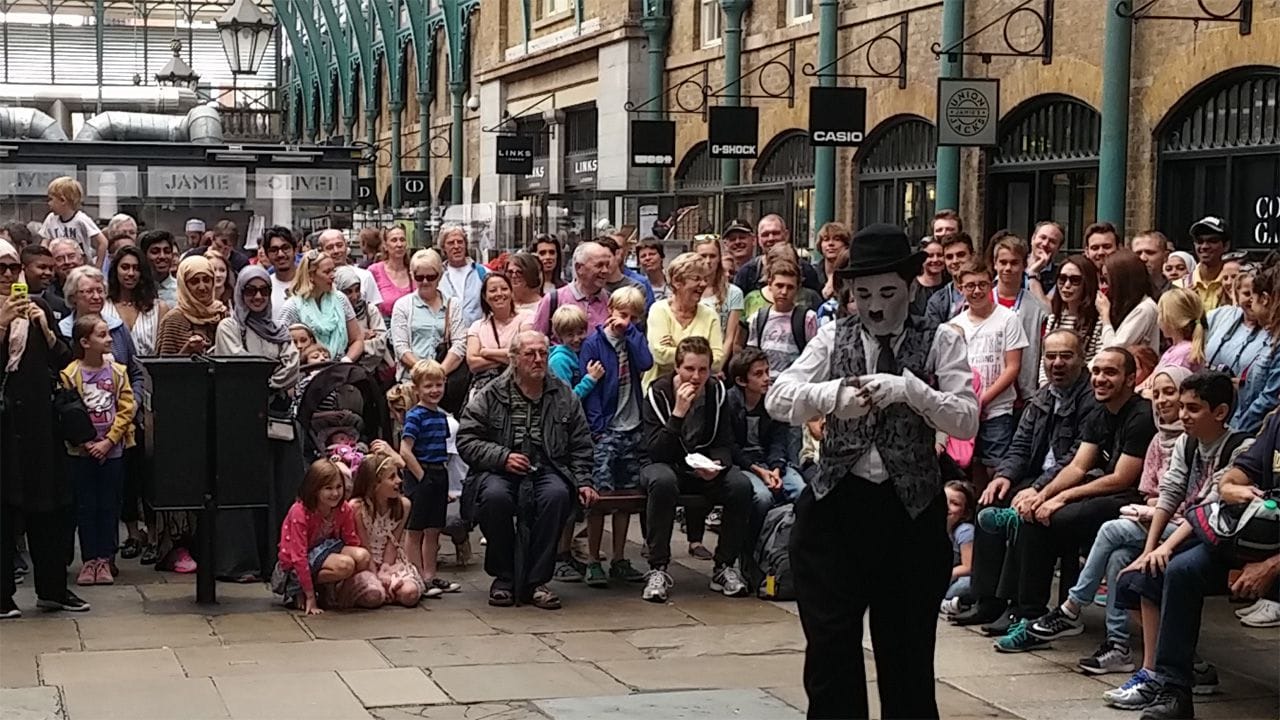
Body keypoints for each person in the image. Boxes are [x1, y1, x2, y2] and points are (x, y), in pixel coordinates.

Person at [765, 223, 979, 719]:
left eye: (887, 292)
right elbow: (778, 397)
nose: (875, 305)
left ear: (908, 286)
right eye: (863, 294)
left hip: (910, 514)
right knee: (831, 651)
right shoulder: (831, 336)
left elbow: (966, 417)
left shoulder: (943, 338)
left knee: (906, 655)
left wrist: (912, 391)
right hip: (836, 510)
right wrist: (832, 396)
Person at [1034, 372, 1250, 709]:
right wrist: (1149, 549)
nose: (1182, 416)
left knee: (1138, 557)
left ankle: (1140, 661)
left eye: (1192, 409)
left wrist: (1161, 549)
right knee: (1127, 562)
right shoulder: (1186, 442)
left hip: (1215, 536)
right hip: (1180, 529)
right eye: (1181, 407)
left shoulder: (1240, 447)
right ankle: (1154, 662)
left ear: (1220, 412)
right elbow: (1170, 493)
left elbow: (1209, 510)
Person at [987, 347, 1156, 652]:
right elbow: (1078, 465)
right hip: (1100, 491)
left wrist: (1061, 498)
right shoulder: (1099, 411)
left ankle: (1067, 613)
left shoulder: (1141, 415)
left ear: (1131, 379)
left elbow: (1122, 478)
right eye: (1098, 372)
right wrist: (1042, 494)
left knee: (1056, 517)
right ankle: (1031, 615)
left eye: (1111, 372)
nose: (1101, 379)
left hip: (1131, 499)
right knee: (1034, 515)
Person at [1018, 366, 1187, 671]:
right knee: (1118, 557)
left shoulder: (1190, 441)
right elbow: (1148, 489)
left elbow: (1191, 498)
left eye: (1170, 393)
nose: (1161, 401)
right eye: (1158, 393)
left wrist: (1157, 509)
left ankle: (1072, 606)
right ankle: (1118, 646)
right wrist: (1042, 493)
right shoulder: (1157, 439)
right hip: (1152, 515)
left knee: (1109, 530)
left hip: (1183, 525)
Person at [1121, 410, 1280, 720]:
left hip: (1274, 557)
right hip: (1260, 538)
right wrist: (1232, 488)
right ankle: (1174, 689)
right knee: (1181, 570)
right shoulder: (1277, 421)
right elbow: (1237, 474)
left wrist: (1271, 567)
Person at [953, 330, 1098, 627]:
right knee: (989, 502)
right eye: (1051, 356)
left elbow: (1076, 458)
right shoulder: (1043, 397)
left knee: (1025, 516)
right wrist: (1004, 475)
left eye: (1066, 356)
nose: (1057, 363)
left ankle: (1024, 606)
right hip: (1035, 477)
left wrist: (1038, 488)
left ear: (1082, 360)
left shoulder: (1090, 401)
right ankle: (988, 599)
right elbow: (1020, 445)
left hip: (1071, 483)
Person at [457, 330, 597, 610]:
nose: (538, 360)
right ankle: (504, 576)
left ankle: (536, 580)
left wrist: (583, 481)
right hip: (499, 470)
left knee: (556, 496)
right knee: (495, 498)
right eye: (530, 354)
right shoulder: (492, 393)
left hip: (548, 467)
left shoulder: (563, 394)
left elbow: (581, 444)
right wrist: (502, 456)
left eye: (543, 354)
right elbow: (467, 439)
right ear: (514, 359)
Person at [1, 239, 88, 617]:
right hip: (4, 426)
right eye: (0, 269)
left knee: (49, 508)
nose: (8, 276)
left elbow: (66, 360)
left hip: (39, 424)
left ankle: (53, 589)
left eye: (13, 268)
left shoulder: (38, 307)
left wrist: (46, 330)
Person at [640, 336, 755, 603]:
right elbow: (655, 450)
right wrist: (678, 414)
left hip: (702, 466)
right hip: (665, 464)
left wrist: (717, 465)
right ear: (677, 368)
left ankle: (724, 566)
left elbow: (724, 441)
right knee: (662, 482)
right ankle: (658, 568)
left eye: (703, 369)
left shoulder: (716, 392)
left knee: (740, 486)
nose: (696, 376)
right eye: (690, 369)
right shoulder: (658, 393)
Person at [214, 265, 303, 577]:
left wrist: (265, 379)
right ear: (240, 292)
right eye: (250, 290)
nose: (257, 296)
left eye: (263, 291)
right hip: (241, 422)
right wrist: (269, 374)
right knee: (242, 490)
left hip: (276, 420)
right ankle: (241, 561)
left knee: (279, 488)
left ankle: (276, 558)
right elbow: (240, 366)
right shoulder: (229, 327)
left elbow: (292, 366)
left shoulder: (279, 328)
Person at [154, 256, 228, 572]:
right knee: (184, 480)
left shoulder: (225, 315)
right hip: (182, 414)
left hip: (219, 409)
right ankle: (177, 546)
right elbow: (161, 369)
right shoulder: (174, 319)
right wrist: (187, 353)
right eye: (194, 281)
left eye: (207, 280)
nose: (201, 287)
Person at [578, 286, 653, 587]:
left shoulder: (633, 340)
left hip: (632, 425)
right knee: (601, 498)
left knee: (626, 498)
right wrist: (597, 428)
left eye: (633, 317)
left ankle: (620, 557)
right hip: (607, 428)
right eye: (622, 314)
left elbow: (646, 363)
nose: (626, 321)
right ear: (610, 309)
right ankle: (594, 558)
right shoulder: (594, 343)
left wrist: (632, 333)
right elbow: (592, 392)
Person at [62, 314, 136, 586]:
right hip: (82, 453)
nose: (108, 340)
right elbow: (68, 411)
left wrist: (110, 440)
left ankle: (105, 558)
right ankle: (89, 559)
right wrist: (85, 442)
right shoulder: (70, 374)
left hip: (112, 451)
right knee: (86, 505)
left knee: (108, 505)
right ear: (85, 342)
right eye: (102, 335)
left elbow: (126, 408)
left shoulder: (118, 372)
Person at [727, 347, 806, 583]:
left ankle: (792, 554)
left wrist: (776, 468)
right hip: (745, 466)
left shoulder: (772, 402)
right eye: (758, 374)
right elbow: (731, 446)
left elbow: (779, 441)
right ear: (742, 380)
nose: (766, 378)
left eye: (767, 371)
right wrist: (758, 470)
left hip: (770, 463)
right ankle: (748, 552)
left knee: (802, 492)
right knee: (761, 498)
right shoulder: (730, 403)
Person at [950, 261, 1028, 486]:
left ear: (990, 283)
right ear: (960, 288)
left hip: (997, 410)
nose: (977, 291)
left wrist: (983, 400)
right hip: (965, 410)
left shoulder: (1008, 319)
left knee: (996, 466)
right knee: (968, 466)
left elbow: (1013, 367)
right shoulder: (954, 324)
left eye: (982, 284)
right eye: (970, 286)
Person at [272, 459, 375, 614]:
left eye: (339, 487)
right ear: (314, 489)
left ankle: (339, 595)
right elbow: (298, 556)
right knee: (345, 565)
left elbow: (351, 540)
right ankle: (300, 588)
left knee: (363, 556)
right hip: (296, 563)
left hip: (327, 551)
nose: (335, 493)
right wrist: (310, 597)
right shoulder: (300, 511)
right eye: (328, 488)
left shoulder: (343, 509)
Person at [399, 359, 464, 599]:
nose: (434, 390)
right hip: (422, 474)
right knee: (415, 529)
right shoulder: (415, 416)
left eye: (438, 385)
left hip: (439, 473)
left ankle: (429, 575)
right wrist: (422, 476)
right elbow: (405, 450)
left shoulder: (441, 417)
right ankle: (415, 576)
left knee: (434, 528)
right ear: (417, 388)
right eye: (428, 386)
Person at [350, 450, 425, 607]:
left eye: (398, 475)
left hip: (389, 562)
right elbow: (364, 544)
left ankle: (392, 589)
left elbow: (393, 543)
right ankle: (383, 590)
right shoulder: (357, 507)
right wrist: (374, 572)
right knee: (373, 596)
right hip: (366, 563)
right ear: (375, 484)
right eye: (392, 477)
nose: (398, 481)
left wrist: (385, 568)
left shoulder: (403, 506)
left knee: (410, 594)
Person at [60, 266, 145, 396]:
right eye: (89, 291)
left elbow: (136, 372)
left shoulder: (117, 327)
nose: (96, 297)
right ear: (73, 297)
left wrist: (134, 402)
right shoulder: (62, 332)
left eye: (100, 291)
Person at [644, 252, 723, 389]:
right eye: (696, 278)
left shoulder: (710, 315)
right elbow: (659, 355)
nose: (703, 284)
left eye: (705, 278)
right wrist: (702, 355)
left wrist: (675, 348)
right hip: (660, 391)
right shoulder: (659, 310)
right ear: (677, 282)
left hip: (698, 391)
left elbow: (718, 361)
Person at [390, 249, 466, 383]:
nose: (425, 282)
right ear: (412, 276)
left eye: (431, 277)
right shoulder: (402, 305)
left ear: (440, 276)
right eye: (419, 277)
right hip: (411, 380)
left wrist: (439, 373)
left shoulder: (453, 304)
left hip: (444, 380)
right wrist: (424, 373)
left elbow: (459, 344)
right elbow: (400, 347)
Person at [990, 234, 1049, 401]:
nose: (1008, 268)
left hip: (1023, 394)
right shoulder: (982, 301)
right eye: (1003, 262)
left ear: (1024, 265)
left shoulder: (1037, 308)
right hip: (986, 388)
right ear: (995, 264)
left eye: (1014, 263)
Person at [279, 250, 365, 363]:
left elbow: (357, 340)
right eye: (327, 272)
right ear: (311, 275)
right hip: (306, 372)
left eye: (333, 270)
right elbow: (281, 348)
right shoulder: (292, 307)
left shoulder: (340, 299)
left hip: (340, 368)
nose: (333, 276)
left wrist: (346, 360)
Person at [744, 257, 818, 378]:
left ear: (798, 288)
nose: (784, 292)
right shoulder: (758, 317)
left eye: (790, 287)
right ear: (769, 285)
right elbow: (752, 356)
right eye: (779, 286)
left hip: (794, 384)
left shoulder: (807, 318)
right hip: (765, 384)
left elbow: (814, 356)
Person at [1230, 260, 1279, 433]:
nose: (1250, 302)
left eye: (1253, 297)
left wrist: (1238, 433)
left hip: (1257, 434)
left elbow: (1268, 400)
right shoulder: (1271, 339)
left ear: (1264, 299)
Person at [466, 273, 533, 393]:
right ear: (485, 296)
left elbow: (525, 353)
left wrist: (486, 352)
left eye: (504, 289)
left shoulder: (527, 317)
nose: (499, 294)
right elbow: (473, 363)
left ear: (511, 292)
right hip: (485, 391)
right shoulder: (476, 327)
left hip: (519, 388)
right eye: (492, 290)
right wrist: (509, 358)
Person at [532, 241, 612, 341]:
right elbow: (537, 341)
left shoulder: (611, 301)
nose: (605, 271)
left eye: (607, 265)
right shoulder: (553, 299)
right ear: (579, 268)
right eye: (599, 265)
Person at [1204, 266, 1268, 377]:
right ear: (1236, 295)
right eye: (1247, 294)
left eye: (1256, 294)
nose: (1252, 300)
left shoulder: (1273, 331)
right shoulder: (1220, 315)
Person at [732, 215, 821, 294]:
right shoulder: (747, 272)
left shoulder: (805, 270)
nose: (771, 238)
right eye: (765, 235)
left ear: (786, 235)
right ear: (758, 239)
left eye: (775, 233)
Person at [1100, 250, 1160, 357]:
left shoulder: (1145, 309)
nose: (1105, 286)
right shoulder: (1125, 306)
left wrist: (1105, 316)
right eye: (1102, 279)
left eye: (1107, 279)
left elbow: (1114, 350)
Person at [693, 234, 744, 360]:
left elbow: (730, 337)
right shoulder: (689, 289)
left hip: (719, 357)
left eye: (713, 256)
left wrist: (718, 365)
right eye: (703, 256)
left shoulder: (734, 293)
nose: (708, 261)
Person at [41, 176, 107, 270]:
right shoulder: (51, 219)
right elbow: (45, 241)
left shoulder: (81, 219)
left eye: (51, 199)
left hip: (81, 268)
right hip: (59, 268)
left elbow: (103, 242)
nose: (49, 204)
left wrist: (98, 267)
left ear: (63, 200)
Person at [335, 266, 390, 377]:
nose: (354, 296)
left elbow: (380, 343)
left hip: (368, 374)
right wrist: (362, 336)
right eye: (348, 292)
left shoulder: (369, 310)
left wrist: (357, 346)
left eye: (357, 290)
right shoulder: (333, 314)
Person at [319, 228, 382, 312]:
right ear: (321, 250)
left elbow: (375, 311)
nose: (336, 251)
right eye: (330, 247)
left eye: (339, 245)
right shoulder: (319, 279)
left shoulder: (365, 276)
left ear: (346, 246)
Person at [547, 305, 603, 400]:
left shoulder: (584, 352)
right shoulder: (559, 361)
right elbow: (565, 399)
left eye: (580, 333)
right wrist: (590, 379)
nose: (576, 339)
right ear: (560, 337)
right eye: (570, 335)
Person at [438, 225, 487, 327]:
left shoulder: (482, 273)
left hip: (478, 336)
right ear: (443, 248)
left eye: (460, 242)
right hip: (448, 336)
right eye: (451, 243)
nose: (456, 247)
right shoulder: (438, 275)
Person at [941, 480, 977, 612]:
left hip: (959, 577)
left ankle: (947, 602)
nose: (947, 507)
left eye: (954, 504)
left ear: (965, 512)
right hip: (945, 577)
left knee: (964, 585)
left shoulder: (965, 531)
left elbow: (968, 567)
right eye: (944, 501)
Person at [925, 232, 975, 325]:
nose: (955, 261)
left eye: (960, 255)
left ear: (972, 255)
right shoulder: (937, 301)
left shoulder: (989, 293)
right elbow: (932, 336)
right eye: (949, 257)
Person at [1155, 288, 1206, 373]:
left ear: (1171, 319)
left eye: (1160, 313)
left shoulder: (1183, 353)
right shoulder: (1176, 349)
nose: (1158, 320)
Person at [367, 226, 413, 320]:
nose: (399, 244)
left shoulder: (414, 271)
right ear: (385, 246)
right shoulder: (374, 271)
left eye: (402, 240)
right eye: (394, 240)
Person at [596, 236, 655, 309]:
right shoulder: (594, 288)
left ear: (617, 254)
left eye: (607, 257)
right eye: (598, 260)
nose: (603, 264)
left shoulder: (637, 287)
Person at [20, 245, 70, 327]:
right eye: (42, 267)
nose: (48, 273)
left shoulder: (60, 305)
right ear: (23, 268)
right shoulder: (9, 301)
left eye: (51, 269)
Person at [1188, 216, 1231, 312]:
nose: (1204, 246)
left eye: (1212, 241)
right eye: (1199, 241)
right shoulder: (1180, 286)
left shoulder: (1234, 286)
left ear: (1226, 246)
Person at [1025, 220, 1066, 302]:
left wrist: (1033, 273)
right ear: (1033, 239)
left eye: (1052, 241)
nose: (1045, 244)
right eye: (1043, 237)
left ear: (1058, 248)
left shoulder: (1059, 276)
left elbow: (1046, 309)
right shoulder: (1014, 264)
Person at [139, 230, 178, 305]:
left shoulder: (181, 289)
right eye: (155, 252)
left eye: (167, 251)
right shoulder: (136, 288)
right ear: (144, 255)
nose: (162, 256)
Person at [912, 238, 947, 317]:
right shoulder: (911, 287)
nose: (935, 259)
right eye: (930, 256)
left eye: (940, 255)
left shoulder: (950, 286)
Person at [1132, 230, 1173, 298]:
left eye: (1150, 253)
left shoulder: (1177, 295)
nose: (1143, 258)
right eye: (1138, 253)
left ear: (1165, 256)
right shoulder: (1125, 293)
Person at [505, 252, 544, 316]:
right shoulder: (503, 303)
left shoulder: (543, 306)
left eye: (519, 272)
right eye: (510, 272)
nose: (514, 276)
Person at [48, 238, 85, 305]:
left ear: (81, 259)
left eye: (71, 256)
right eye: (59, 259)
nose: (67, 262)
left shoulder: (95, 284)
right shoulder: (49, 292)